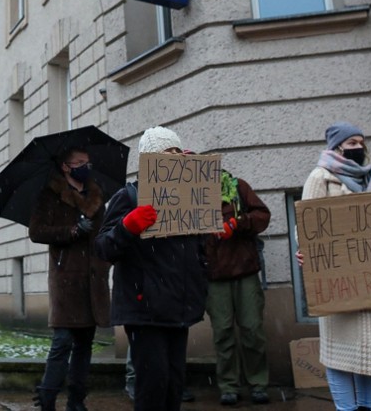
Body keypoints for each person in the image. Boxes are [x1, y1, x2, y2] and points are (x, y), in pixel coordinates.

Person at [95, 126, 209, 411]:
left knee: (173, 384)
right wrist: (127, 227)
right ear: (149, 161)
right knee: (152, 385)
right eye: (165, 154)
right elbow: (103, 248)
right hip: (145, 308)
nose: (173, 158)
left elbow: (197, 250)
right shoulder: (129, 196)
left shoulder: (188, 196)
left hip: (178, 306)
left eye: (176, 152)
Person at [298, 121, 371, 411]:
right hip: (338, 283)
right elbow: (306, 227)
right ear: (337, 146)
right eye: (351, 143)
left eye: (360, 142)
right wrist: (306, 252)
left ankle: (369, 407)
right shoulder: (321, 177)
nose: (357, 148)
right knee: (340, 355)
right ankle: (346, 409)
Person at [28, 147, 111, 411]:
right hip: (66, 279)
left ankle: (77, 400)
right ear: (66, 166)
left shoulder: (97, 196)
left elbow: (106, 232)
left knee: (85, 344)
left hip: (93, 279)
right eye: (79, 163)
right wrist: (73, 230)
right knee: (62, 341)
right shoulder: (51, 195)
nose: (85, 166)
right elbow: (36, 232)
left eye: (88, 162)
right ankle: (48, 397)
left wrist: (104, 260)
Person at [204, 168, 271, 405]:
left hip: (245, 271)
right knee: (223, 333)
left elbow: (262, 215)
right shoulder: (192, 196)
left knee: (252, 330)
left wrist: (238, 223)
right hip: (213, 275)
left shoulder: (238, 187)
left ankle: (258, 383)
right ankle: (228, 385)